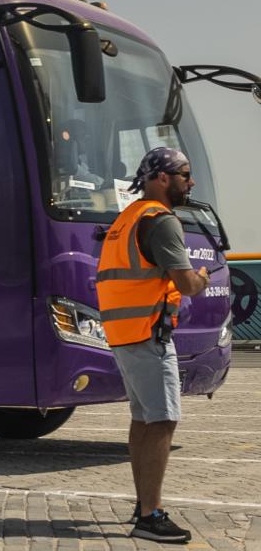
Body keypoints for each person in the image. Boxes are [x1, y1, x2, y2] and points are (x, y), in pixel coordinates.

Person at [96, 147, 209, 544]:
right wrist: (201, 277)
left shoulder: (127, 218)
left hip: (124, 334)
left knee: (144, 420)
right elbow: (185, 283)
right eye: (184, 174)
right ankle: (150, 515)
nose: (190, 182)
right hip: (148, 333)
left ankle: (144, 504)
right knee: (161, 421)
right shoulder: (162, 222)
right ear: (162, 178)